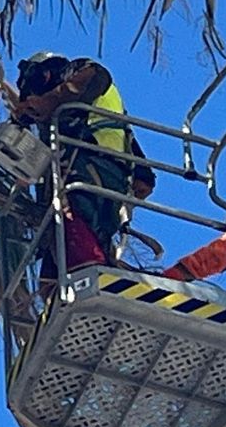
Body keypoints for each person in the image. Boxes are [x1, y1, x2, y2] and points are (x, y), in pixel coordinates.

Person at [12, 52, 155, 270]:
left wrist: (44, 102)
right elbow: (143, 178)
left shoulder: (83, 74)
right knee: (54, 267)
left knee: (76, 220)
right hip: (86, 185)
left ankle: (94, 268)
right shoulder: (55, 122)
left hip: (96, 170)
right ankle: (58, 293)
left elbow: (92, 78)